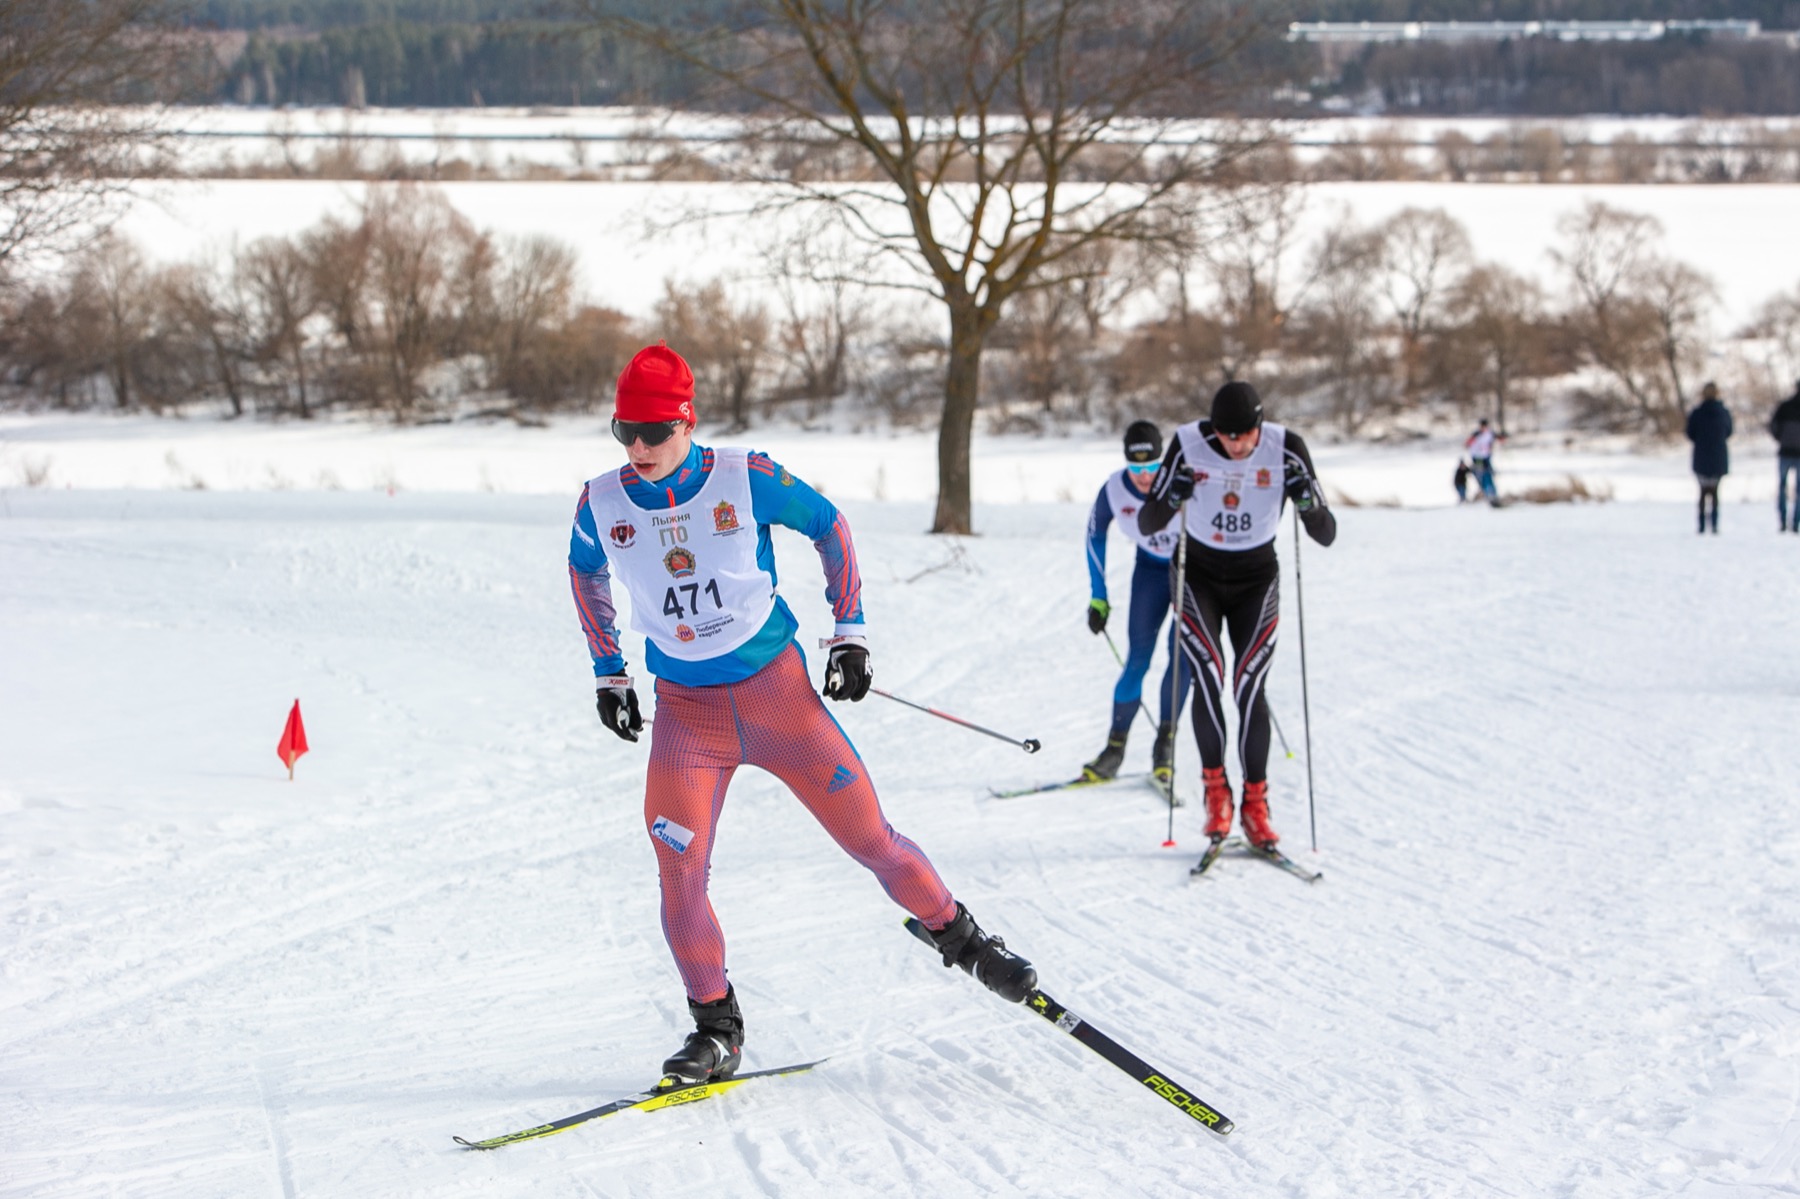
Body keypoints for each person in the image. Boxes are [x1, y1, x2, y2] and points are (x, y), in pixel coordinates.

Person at [569, 343, 1035, 1085]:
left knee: (872, 839)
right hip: (688, 717)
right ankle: (715, 1029)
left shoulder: (743, 478)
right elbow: (584, 570)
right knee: (680, 876)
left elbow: (829, 524)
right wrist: (608, 669)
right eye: (623, 427)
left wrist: (849, 629)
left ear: (688, 423)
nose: (637, 446)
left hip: (779, 697)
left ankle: (966, 939)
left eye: (655, 431)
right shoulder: (602, 500)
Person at [1137, 382, 1336, 850]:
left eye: (1244, 435)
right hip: (1198, 577)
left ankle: (1255, 803)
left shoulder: (1286, 449)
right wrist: (1172, 497)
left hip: (1256, 579)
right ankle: (1216, 794)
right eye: (1226, 436)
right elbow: (1148, 523)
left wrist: (1306, 501)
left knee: (1249, 685)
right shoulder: (1188, 443)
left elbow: (1325, 533)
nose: (1235, 445)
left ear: (1259, 426)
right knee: (1208, 677)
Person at [1079, 420, 1195, 790]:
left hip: (1192, 573)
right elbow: (1094, 536)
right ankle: (1114, 750)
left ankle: (1165, 749)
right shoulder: (1114, 489)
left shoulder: (1182, 480)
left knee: (1181, 659)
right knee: (1137, 659)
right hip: (1149, 572)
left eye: (1151, 468)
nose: (1144, 478)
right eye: (1136, 468)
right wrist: (1099, 596)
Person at [1686, 381, 1733, 535]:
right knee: (1715, 492)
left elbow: (1690, 432)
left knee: (1702, 492)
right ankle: (1714, 523)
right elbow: (1729, 431)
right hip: (1718, 456)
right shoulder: (1723, 412)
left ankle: (1700, 524)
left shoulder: (1697, 412)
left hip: (1701, 456)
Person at [1771, 380, 1800, 532]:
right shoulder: (1785, 406)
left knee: (1782, 487)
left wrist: (1781, 439)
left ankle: (1782, 521)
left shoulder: (1785, 406)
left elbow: (1774, 426)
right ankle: (1795, 523)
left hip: (1785, 452)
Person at [1465, 418, 1505, 506]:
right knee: (1482, 474)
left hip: (1486, 457)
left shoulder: (1490, 433)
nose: (1483, 428)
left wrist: (1502, 437)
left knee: (1488, 474)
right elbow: (1467, 443)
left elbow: (1499, 438)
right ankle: (1486, 493)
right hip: (1477, 458)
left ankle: (1492, 493)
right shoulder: (1476, 434)